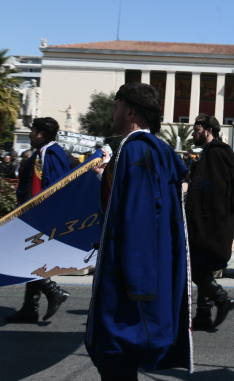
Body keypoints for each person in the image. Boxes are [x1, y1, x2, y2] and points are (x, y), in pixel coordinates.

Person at [86, 82, 192, 379]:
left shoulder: (136, 151)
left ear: (130, 111)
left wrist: (138, 284)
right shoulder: (153, 149)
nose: (112, 113)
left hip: (131, 275)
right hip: (145, 267)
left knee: (115, 354)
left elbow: (141, 215)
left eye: (116, 107)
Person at [4, 117, 71, 324]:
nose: (30, 134)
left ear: (41, 134)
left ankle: (53, 292)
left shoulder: (50, 154)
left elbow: (54, 189)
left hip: (41, 218)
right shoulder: (44, 152)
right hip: (36, 216)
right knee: (31, 257)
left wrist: (42, 217)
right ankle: (29, 307)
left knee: (22, 255)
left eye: (33, 131)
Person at [187, 113, 234, 332]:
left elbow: (215, 192)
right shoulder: (210, 153)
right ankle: (203, 315)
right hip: (208, 220)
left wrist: (202, 218)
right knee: (202, 266)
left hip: (209, 222)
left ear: (209, 130)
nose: (193, 133)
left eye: (197, 129)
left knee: (193, 266)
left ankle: (221, 298)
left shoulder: (215, 154)